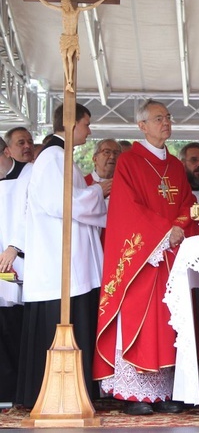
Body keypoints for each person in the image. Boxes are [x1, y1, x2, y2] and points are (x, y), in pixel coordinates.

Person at [94, 100, 197, 415]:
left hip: (171, 256)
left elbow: (187, 203)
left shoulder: (176, 166)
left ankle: (163, 391)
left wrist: (178, 229)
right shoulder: (129, 161)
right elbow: (127, 209)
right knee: (141, 318)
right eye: (158, 118)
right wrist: (164, 233)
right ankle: (133, 394)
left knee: (168, 323)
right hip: (143, 256)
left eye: (167, 118)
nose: (165, 123)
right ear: (141, 126)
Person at [16, 103, 109, 407]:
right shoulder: (53, 158)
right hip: (60, 265)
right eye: (86, 124)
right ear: (71, 124)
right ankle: (59, 396)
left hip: (66, 261)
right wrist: (99, 191)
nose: (89, 130)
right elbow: (65, 203)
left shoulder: (60, 158)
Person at [29, 0, 112, 92]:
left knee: (69, 56)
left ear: (68, 4)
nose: (63, 6)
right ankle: (68, 80)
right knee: (63, 56)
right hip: (64, 38)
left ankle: (70, 81)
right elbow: (48, 5)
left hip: (73, 39)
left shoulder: (77, 11)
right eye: (62, 5)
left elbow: (92, 6)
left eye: (64, 5)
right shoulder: (62, 11)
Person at [0, 137, 31, 402]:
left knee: (14, 325)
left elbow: (27, 214)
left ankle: (18, 392)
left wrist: (14, 246)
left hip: (19, 256)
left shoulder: (26, 174)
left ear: (6, 152)